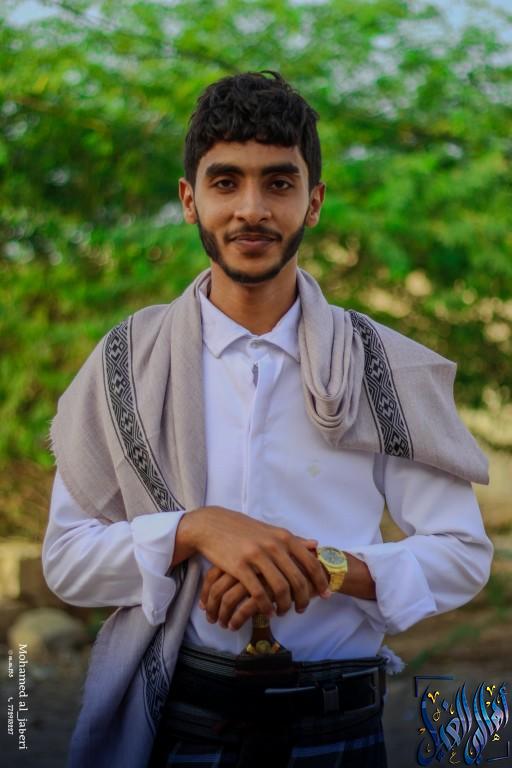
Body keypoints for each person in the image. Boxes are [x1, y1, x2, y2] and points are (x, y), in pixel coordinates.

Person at [43, 71, 493, 768]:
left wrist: (323, 567)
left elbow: (463, 555)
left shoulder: (385, 366)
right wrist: (194, 531)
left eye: (278, 183)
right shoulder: (129, 363)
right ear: (190, 200)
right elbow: (68, 561)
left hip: (340, 732)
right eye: (226, 182)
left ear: (313, 202)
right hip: (183, 728)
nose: (251, 209)